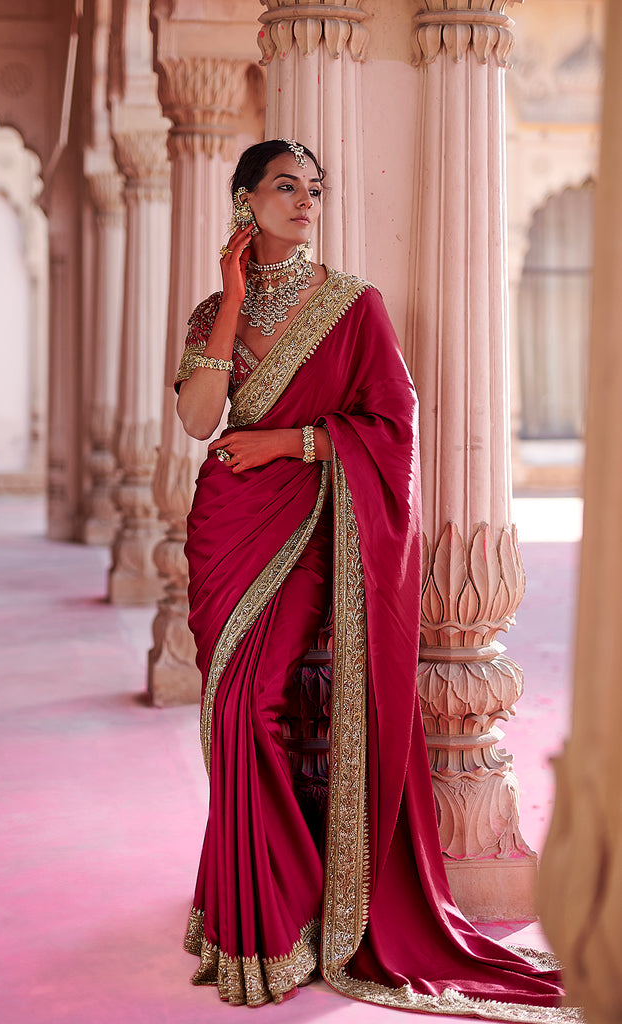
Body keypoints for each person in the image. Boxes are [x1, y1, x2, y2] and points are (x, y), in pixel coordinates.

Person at [174, 139, 573, 1019]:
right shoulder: (214, 312)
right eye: (285, 187)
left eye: (314, 189)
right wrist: (235, 299)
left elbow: (392, 426)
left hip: (309, 529)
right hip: (225, 534)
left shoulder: (353, 308)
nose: (306, 202)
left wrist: (288, 441)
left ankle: (278, 917)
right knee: (226, 713)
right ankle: (246, 907)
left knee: (254, 706)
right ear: (244, 200)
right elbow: (201, 421)